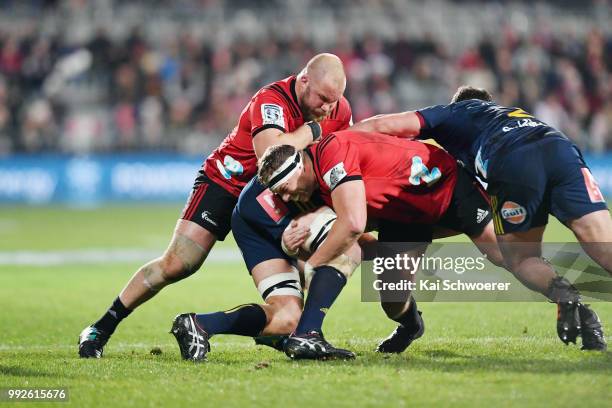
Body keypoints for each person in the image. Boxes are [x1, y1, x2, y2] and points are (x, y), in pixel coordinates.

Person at [78, 53, 353, 358]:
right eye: (323, 98)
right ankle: (102, 326)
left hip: (277, 198)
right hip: (226, 183)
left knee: (323, 250)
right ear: (304, 81)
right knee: (177, 264)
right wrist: (312, 131)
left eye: (335, 100)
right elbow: (270, 156)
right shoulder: (272, 100)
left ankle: (298, 330)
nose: (328, 108)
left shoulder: (339, 110)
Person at [350, 86, 609, 350]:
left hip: (484, 176)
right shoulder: (512, 115)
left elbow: (383, 124)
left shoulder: (454, 113)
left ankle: (572, 303)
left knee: (517, 257)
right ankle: (411, 324)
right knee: (602, 243)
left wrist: (331, 142)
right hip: (561, 148)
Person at [256, 129, 505, 359]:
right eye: (280, 193)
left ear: (300, 168)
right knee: (392, 300)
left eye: (286, 188)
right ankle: (411, 326)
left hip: (444, 185)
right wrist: (293, 246)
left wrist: (314, 264)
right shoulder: (311, 187)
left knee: (506, 255)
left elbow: (353, 224)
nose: (287, 197)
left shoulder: (332, 155)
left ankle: (543, 279)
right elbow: (355, 234)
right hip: (402, 216)